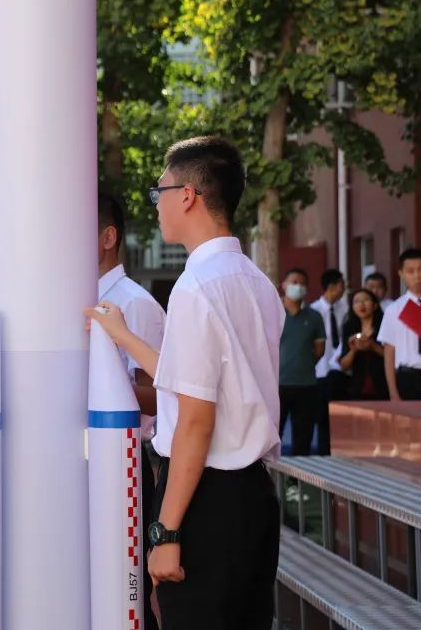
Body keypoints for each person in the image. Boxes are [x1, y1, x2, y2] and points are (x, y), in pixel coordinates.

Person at [88, 136, 281, 630]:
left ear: (189, 195)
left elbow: (196, 419)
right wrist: (124, 336)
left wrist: (166, 529)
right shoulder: (254, 281)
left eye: (161, 192)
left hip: (205, 497)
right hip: (252, 495)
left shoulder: (196, 287)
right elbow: (191, 384)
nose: (158, 205)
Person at [97, 192, 165, 630]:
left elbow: (159, 396)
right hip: (86, 459)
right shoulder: (72, 296)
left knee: (126, 594)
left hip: (124, 463)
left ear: (108, 236)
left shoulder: (134, 302)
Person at [378, 248, 421, 400]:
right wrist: (393, 393)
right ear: (401, 274)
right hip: (407, 378)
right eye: (410, 271)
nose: (417, 276)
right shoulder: (393, 309)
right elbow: (389, 353)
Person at [278, 268, 326, 456]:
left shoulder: (314, 317)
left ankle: (297, 482)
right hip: (277, 385)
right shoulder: (273, 312)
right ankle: (273, 477)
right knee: (273, 435)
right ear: (284, 285)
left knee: (303, 437)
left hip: (306, 385)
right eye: (293, 282)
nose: (297, 286)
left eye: (301, 283)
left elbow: (319, 350)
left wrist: (303, 364)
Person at [310, 269, 348, 454]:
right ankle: (324, 454)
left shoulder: (345, 308)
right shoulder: (313, 310)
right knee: (322, 418)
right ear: (332, 286)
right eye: (342, 284)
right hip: (320, 370)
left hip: (339, 370)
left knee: (339, 419)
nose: (344, 288)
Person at [338, 289, 389, 400]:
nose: (361, 305)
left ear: (375, 305)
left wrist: (373, 346)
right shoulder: (349, 327)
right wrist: (353, 350)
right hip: (358, 386)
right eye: (356, 302)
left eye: (366, 300)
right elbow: (343, 365)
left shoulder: (385, 325)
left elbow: (394, 357)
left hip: (384, 384)